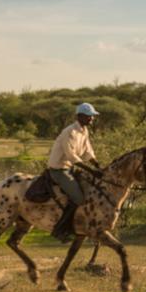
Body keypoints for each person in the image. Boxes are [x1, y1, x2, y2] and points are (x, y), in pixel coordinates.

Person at [47, 102, 102, 242]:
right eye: (89, 116)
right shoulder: (69, 132)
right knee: (79, 198)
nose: (92, 119)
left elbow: (88, 151)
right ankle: (60, 230)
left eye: (92, 116)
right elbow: (71, 155)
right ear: (80, 116)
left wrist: (97, 165)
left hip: (70, 168)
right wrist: (91, 170)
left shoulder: (84, 131)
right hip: (59, 169)